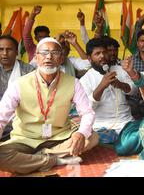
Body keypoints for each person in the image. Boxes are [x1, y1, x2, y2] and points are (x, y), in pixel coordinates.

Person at [0, 37, 97, 175]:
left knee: (91, 137)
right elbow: (1, 116)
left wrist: (81, 133)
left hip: (58, 138)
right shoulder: (19, 84)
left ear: (61, 57)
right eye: (44, 53)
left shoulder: (73, 83)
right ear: (36, 57)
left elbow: (87, 113)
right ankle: (53, 160)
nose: (49, 57)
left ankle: (39, 156)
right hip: (25, 139)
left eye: (54, 53)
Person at [79, 38, 139, 156]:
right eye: (97, 54)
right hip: (101, 127)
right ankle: (115, 145)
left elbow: (135, 90)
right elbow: (87, 108)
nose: (102, 56)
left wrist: (120, 85)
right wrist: (101, 86)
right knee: (87, 143)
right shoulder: (85, 80)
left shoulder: (120, 70)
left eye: (104, 52)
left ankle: (116, 146)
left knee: (141, 133)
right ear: (90, 58)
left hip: (126, 123)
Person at [0, 35, 35, 140]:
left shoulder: (29, 71)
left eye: (9, 49)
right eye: (1, 49)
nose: (4, 53)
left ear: (16, 52)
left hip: (19, 120)